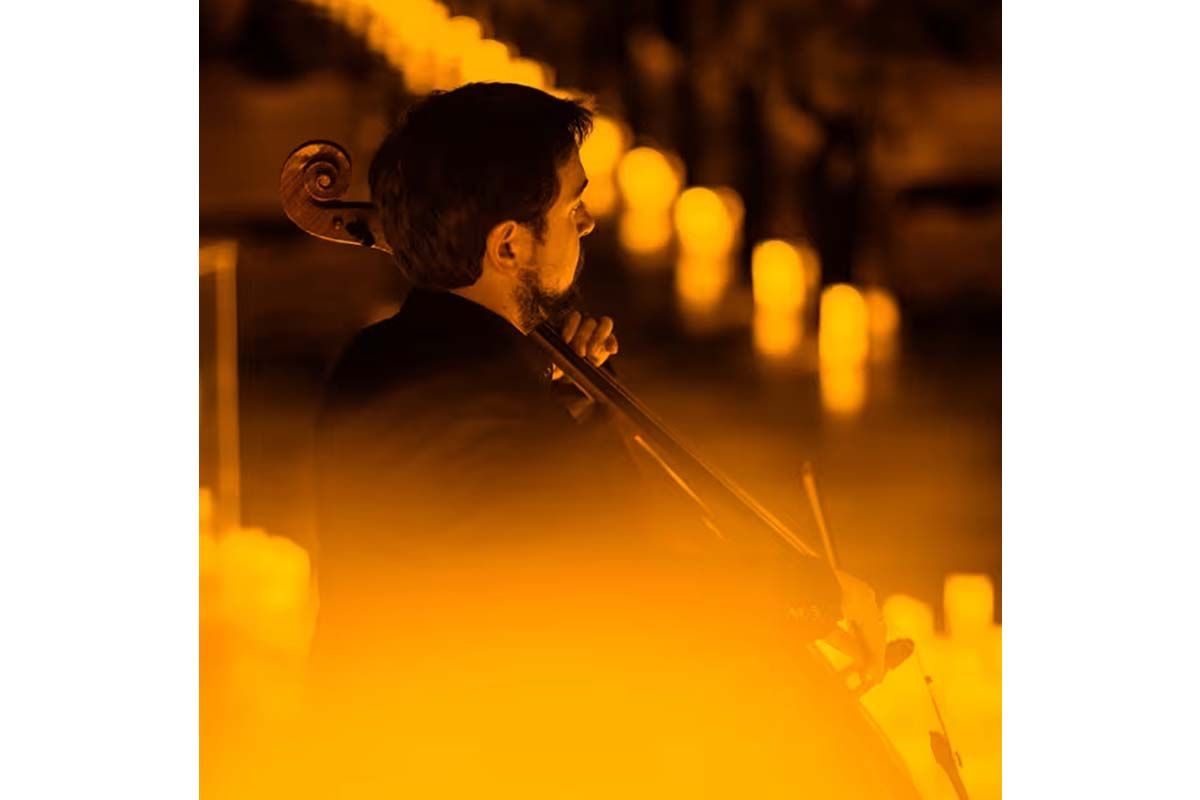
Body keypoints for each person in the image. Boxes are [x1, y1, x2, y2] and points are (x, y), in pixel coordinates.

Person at [308, 82, 906, 797]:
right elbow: (619, 592)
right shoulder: (481, 401)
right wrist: (808, 592)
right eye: (571, 207)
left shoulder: (380, 359)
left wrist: (577, 410)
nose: (587, 222)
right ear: (508, 244)